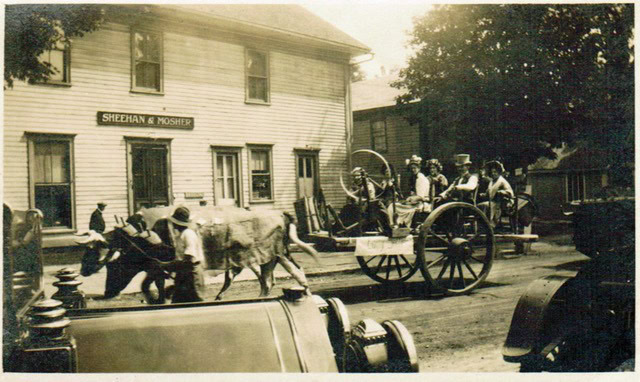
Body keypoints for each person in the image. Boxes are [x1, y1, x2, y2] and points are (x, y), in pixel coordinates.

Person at [156, 206, 206, 303]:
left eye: (173, 223)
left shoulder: (188, 234)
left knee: (195, 302)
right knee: (178, 303)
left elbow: (189, 258)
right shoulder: (181, 235)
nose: (172, 225)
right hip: (184, 275)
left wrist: (167, 265)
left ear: (176, 223)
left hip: (192, 274)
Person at [387, 155, 430, 227]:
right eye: (412, 168)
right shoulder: (415, 178)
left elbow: (420, 197)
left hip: (419, 205)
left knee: (392, 207)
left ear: (419, 168)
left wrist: (409, 199)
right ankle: (395, 225)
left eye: (415, 168)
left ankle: (396, 224)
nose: (413, 170)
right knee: (394, 205)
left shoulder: (421, 179)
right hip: (415, 203)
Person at [478, 160, 514, 228]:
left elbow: (510, 193)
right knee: (481, 205)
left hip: (503, 203)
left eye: (495, 172)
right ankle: (483, 225)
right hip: (493, 202)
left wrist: (502, 192)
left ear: (499, 172)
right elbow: (488, 192)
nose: (493, 174)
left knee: (487, 205)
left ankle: (490, 225)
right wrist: (484, 194)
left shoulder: (502, 181)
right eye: (492, 172)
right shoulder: (492, 182)